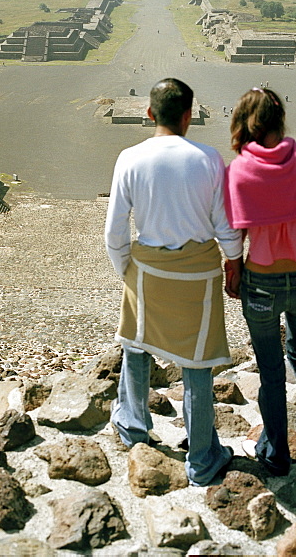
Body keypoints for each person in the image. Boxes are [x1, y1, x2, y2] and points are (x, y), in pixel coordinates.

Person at [105, 78, 243, 486]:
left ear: (149, 114)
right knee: (197, 362)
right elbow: (226, 226)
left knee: (136, 343)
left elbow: (115, 232)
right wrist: (234, 262)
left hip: (147, 269)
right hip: (198, 273)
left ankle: (132, 426)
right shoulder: (208, 158)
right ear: (189, 116)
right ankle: (202, 457)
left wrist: (126, 270)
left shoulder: (129, 158)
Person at [223, 87, 296, 475]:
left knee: (271, 368)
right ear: (281, 119)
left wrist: (233, 270)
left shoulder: (239, 170)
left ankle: (275, 453)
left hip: (261, 284)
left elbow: (233, 234)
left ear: (244, 122)